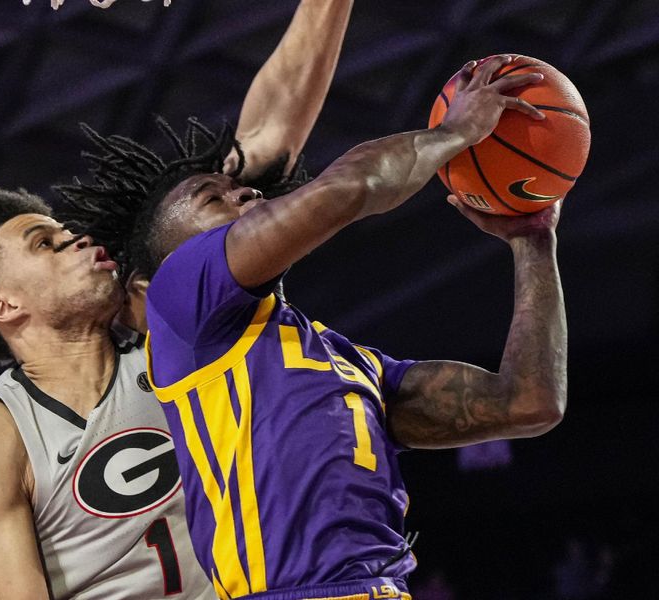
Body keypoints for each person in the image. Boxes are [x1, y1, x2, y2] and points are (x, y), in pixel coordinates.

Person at [60, 54, 566, 600]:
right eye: (211, 197)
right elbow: (347, 190)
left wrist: (532, 244)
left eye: (245, 190)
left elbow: (528, 402)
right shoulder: (180, 298)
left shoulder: (355, 365)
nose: (246, 193)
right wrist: (454, 132)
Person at [0, 2, 354, 598]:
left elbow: (263, 143)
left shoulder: (169, 324)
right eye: (45, 243)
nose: (74, 236)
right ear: (6, 306)